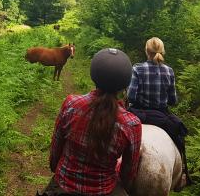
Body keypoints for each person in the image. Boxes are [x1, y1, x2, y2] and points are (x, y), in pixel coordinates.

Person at [40, 48, 141, 196]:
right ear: (124, 85)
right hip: (104, 190)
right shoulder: (132, 124)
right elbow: (128, 174)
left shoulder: (70, 104)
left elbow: (54, 154)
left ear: (94, 76)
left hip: (65, 183)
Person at [127, 37, 192, 186]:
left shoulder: (137, 68)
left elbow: (131, 96)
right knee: (180, 135)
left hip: (138, 112)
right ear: (162, 51)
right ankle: (183, 174)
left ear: (146, 51)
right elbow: (173, 100)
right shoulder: (169, 71)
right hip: (161, 115)